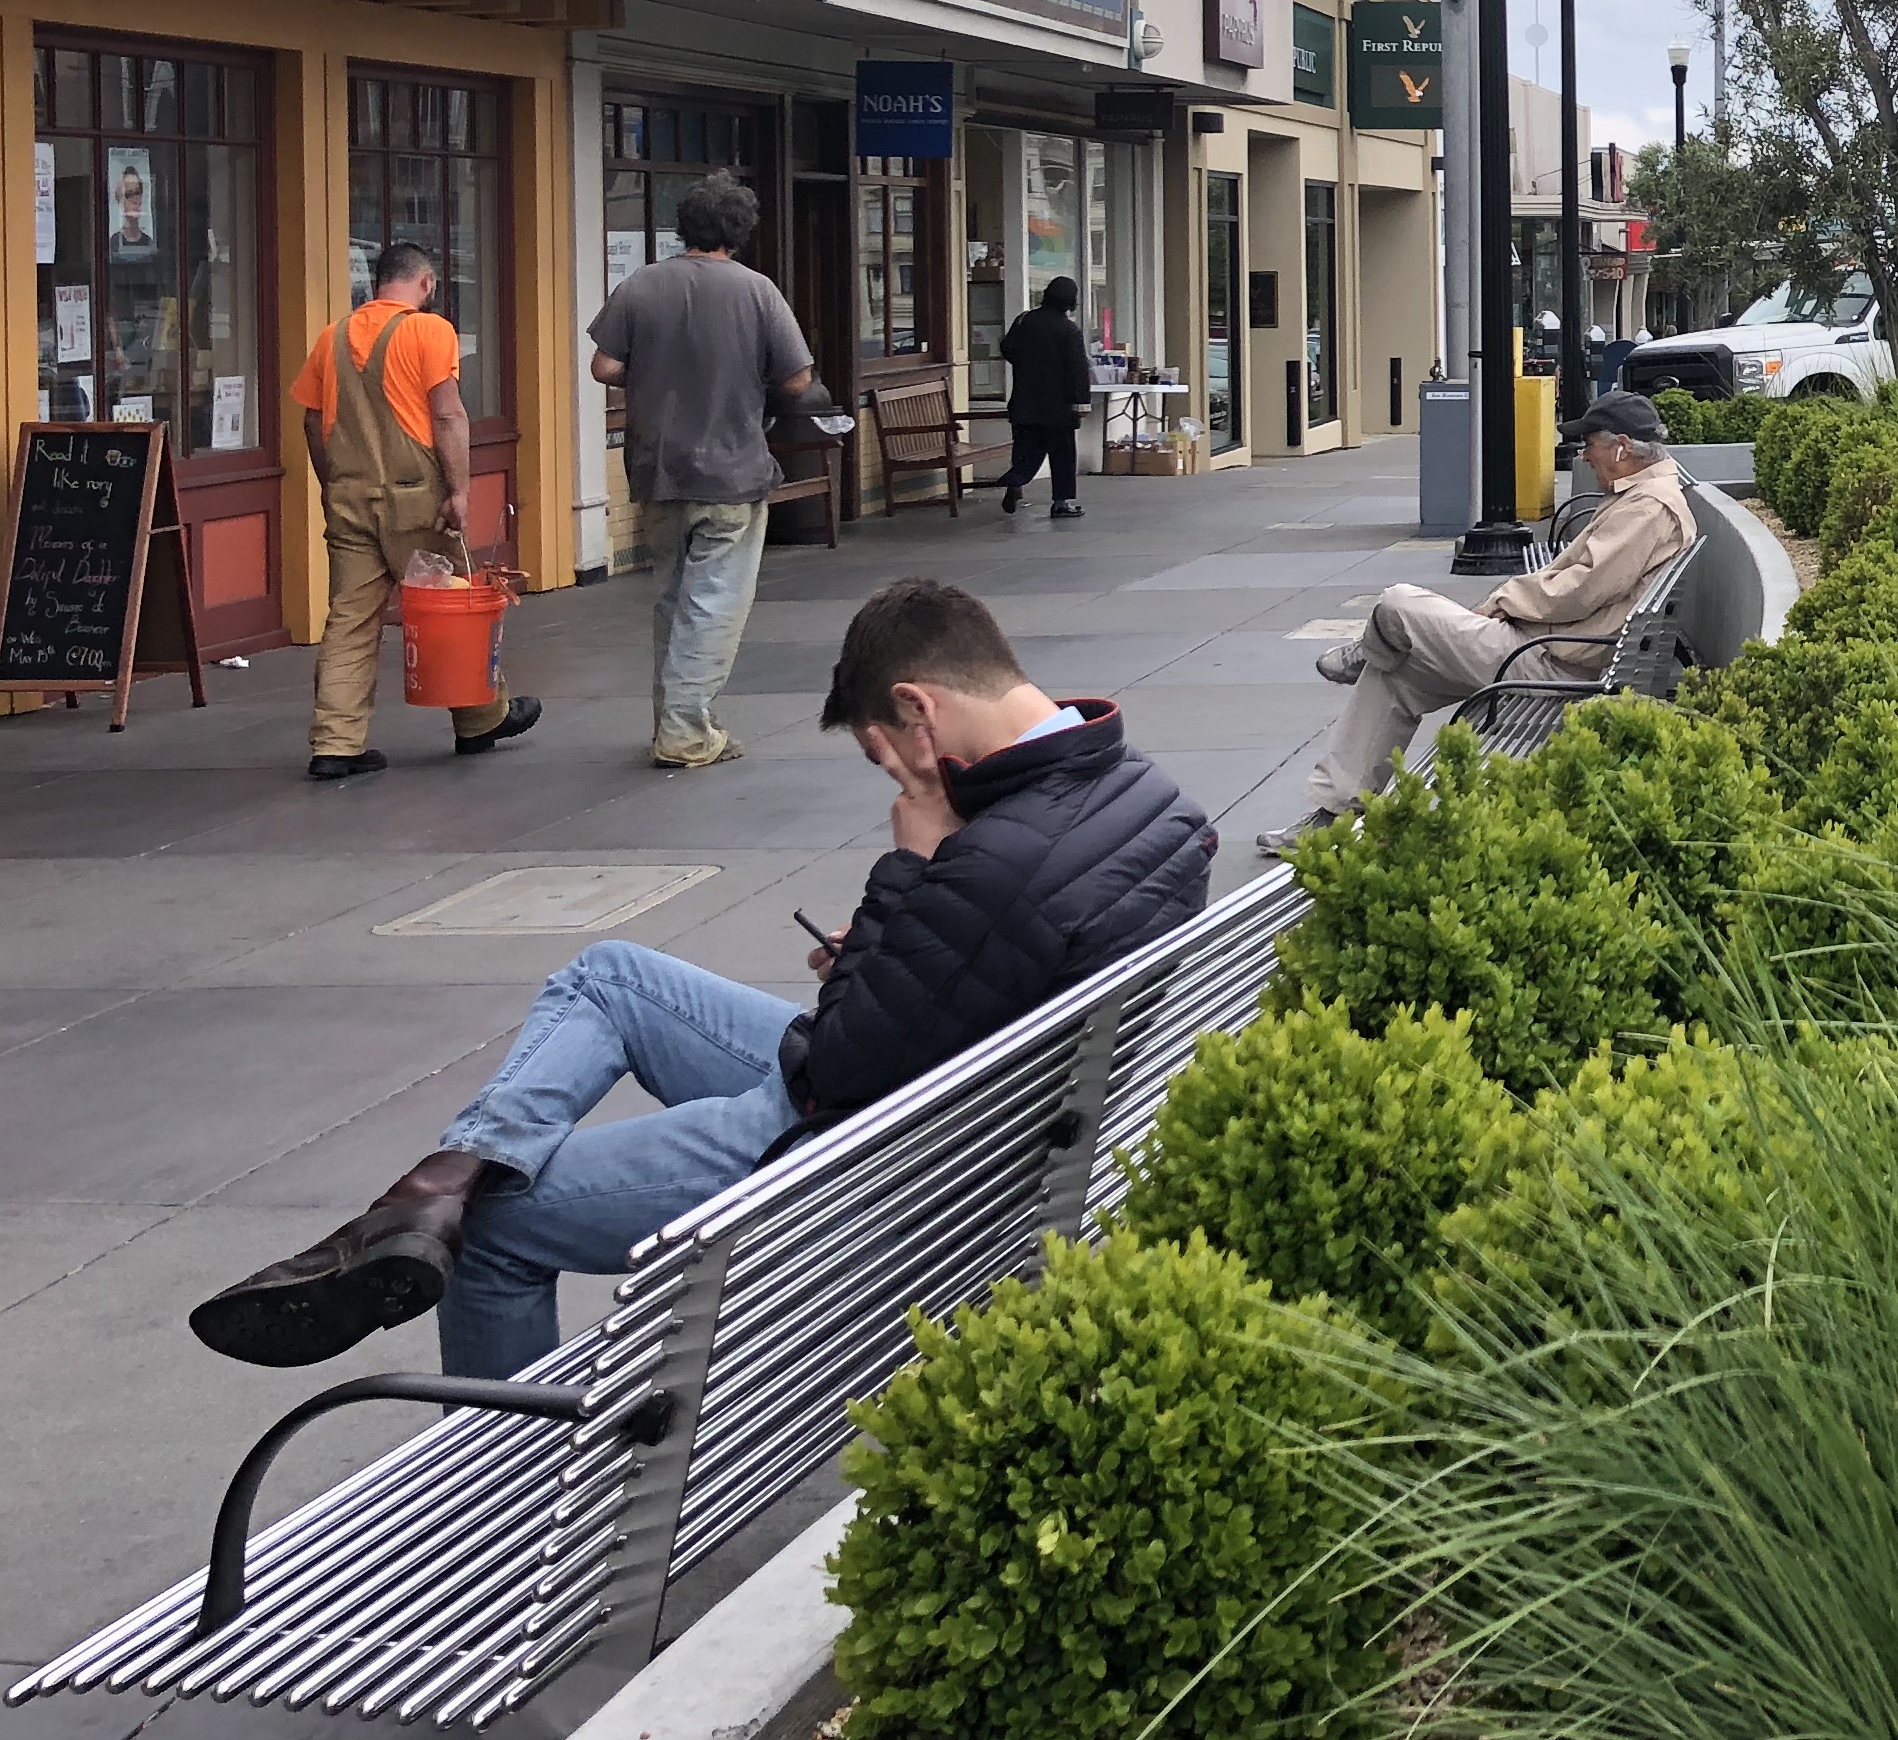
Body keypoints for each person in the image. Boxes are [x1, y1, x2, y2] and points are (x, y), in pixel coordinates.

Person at [187, 576, 1214, 1379]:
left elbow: (839, 1072)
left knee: (492, 1231)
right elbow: (960, 975)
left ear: (919, 711)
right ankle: (444, 1177)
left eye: (884, 758)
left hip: (864, 1142)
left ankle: (503, 1505)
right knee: (610, 975)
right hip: (971, 1101)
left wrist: (910, 869)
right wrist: (894, 937)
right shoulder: (1143, 792)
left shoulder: (986, 859)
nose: (896, 779)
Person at [1304, 387, 1694, 815]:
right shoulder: (1640, 496)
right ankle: (1335, 810)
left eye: (1589, 444)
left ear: (1621, 448)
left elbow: (1579, 590)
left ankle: (1371, 646)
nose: (1583, 456)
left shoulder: (1649, 508)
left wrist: (1504, 599)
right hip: (1542, 646)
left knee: (1398, 605)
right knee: (1396, 675)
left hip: (1549, 663)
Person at [586, 173, 821, 769]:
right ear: (739, 231)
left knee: (673, 597)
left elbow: (604, 366)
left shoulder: (642, 284)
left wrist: (655, 369)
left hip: (658, 467)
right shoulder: (757, 291)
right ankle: (686, 730)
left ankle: (677, 718)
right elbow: (797, 378)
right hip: (732, 469)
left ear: (682, 226)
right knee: (714, 603)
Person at [291, 241, 542, 783]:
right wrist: (459, 491)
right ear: (425, 283)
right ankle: (480, 719)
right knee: (451, 606)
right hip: (416, 502)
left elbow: (312, 424)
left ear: (377, 283)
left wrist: (333, 483)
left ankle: (335, 744)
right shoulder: (431, 331)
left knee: (350, 620)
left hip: (350, 501)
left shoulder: (329, 340)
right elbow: (448, 416)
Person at [996, 274, 1092, 519]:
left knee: (1026, 450)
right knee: (1062, 455)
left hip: (1024, 401)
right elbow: (1077, 369)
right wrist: (1081, 400)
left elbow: (1008, 348)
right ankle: (1061, 502)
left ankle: (1015, 480)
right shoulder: (1069, 330)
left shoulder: (1024, 320)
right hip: (1058, 407)